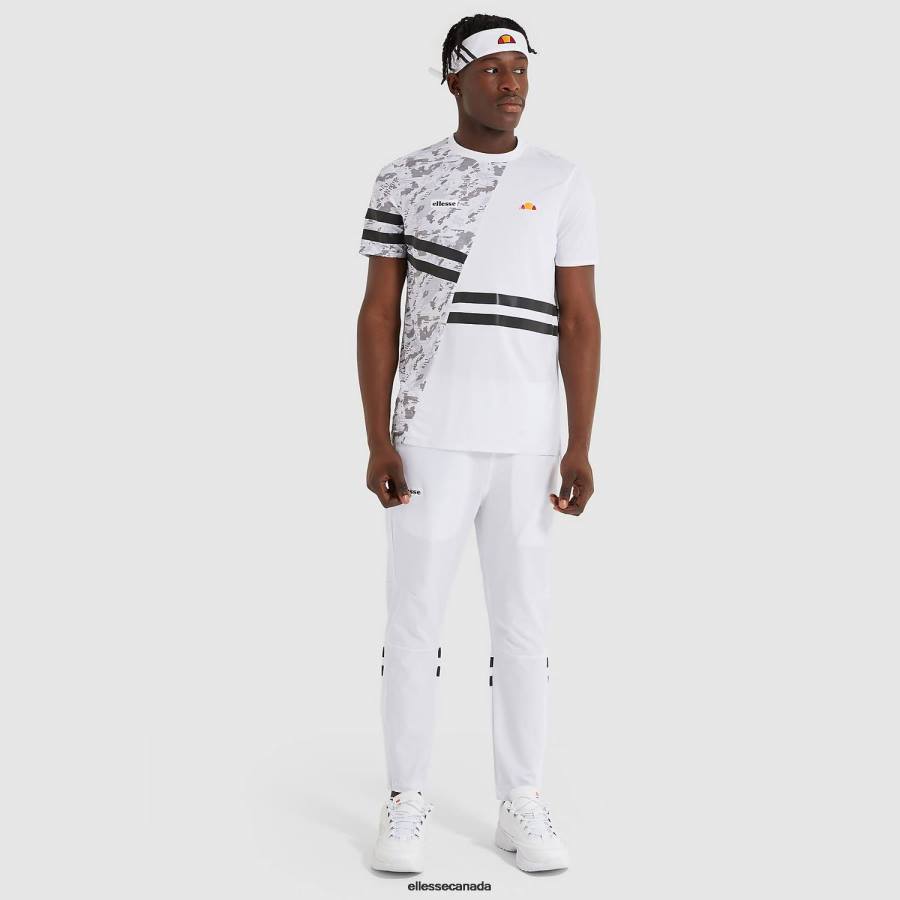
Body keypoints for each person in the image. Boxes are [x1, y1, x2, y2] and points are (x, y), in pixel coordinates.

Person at [357, 13, 601, 875]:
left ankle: (520, 799)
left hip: (529, 441)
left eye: (521, 69)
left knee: (524, 628)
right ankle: (405, 799)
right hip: (429, 434)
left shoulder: (561, 179)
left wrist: (579, 442)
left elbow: (580, 318)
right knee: (413, 624)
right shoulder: (405, 176)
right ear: (454, 78)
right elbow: (379, 312)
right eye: (493, 69)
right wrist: (379, 436)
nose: (511, 84)